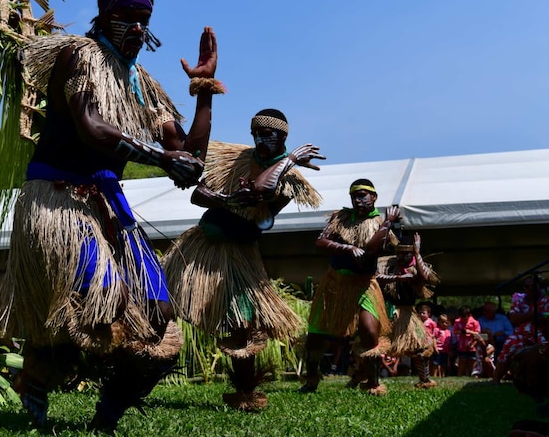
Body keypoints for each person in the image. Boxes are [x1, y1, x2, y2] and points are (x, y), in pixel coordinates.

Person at [0, 0, 221, 431]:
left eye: (144, 19)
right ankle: (37, 379)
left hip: (109, 206)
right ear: (104, 15)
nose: (136, 28)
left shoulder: (143, 85)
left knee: (161, 321)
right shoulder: (78, 56)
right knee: (103, 301)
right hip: (60, 203)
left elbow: (188, 155)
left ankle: (105, 416)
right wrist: (159, 157)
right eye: (125, 17)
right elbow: (90, 127)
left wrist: (204, 91)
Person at [162, 109, 324, 411]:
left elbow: (263, 192)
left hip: (240, 256)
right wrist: (225, 199)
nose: (260, 140)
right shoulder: (232, 157)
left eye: (268, 135)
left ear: (284, 137)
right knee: (162, 306)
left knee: (242, 325)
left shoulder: (293, 179)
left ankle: (245, 394)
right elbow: (197, 193)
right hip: (202, 246)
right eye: (256, 134)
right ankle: (135, 372)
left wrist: (286, 163)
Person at [299, 179, 395, 395]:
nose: (358, 200)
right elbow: (320, 243)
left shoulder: (380, 223)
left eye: (363, 195)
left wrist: (388, 222)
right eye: (354, 196)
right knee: (316, 336)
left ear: (374, 197)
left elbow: (371, 251)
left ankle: (372, 383)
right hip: (335, 283)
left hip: (364, 286)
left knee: (370, 332)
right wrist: (346, 247)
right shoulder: (340, 218)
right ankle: (311, 379)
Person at [375, 235, 439, 388]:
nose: (402, 257)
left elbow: (423, 277)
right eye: (400, 253)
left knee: (421, 349)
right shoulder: (386, 263)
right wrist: (398, 277)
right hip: (387, 311)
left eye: (407, 253)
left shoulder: (417, 266)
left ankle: (425, 380)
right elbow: (375, 277)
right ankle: (367, 379)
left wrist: (417, 254)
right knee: (373, 347)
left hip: (407, 314)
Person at [495, 275, 549, 384]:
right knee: (508, 347)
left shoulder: (546, 300)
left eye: (532, 286)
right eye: (526, 286)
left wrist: (528, 316)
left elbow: (546, 317)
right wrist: (533, 314)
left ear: (538, 286)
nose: (529, 289)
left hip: (542, 332)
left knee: (545, 350)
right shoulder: (519, 300)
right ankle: (496, 379)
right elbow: (514, 319)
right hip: (521, 334)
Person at [452, 306, 481, 376]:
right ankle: (460, 375)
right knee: (462, 360)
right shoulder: (458, 322)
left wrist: (469, 332)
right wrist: (461, 331)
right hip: (462, 345)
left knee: (472, 361)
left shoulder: (475, 322)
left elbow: (478, 333)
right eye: (462, 318)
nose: (464, 320)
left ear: (469, 315)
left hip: (472, 345)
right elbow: (454, 331)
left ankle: (471, 375)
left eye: (465, 318)